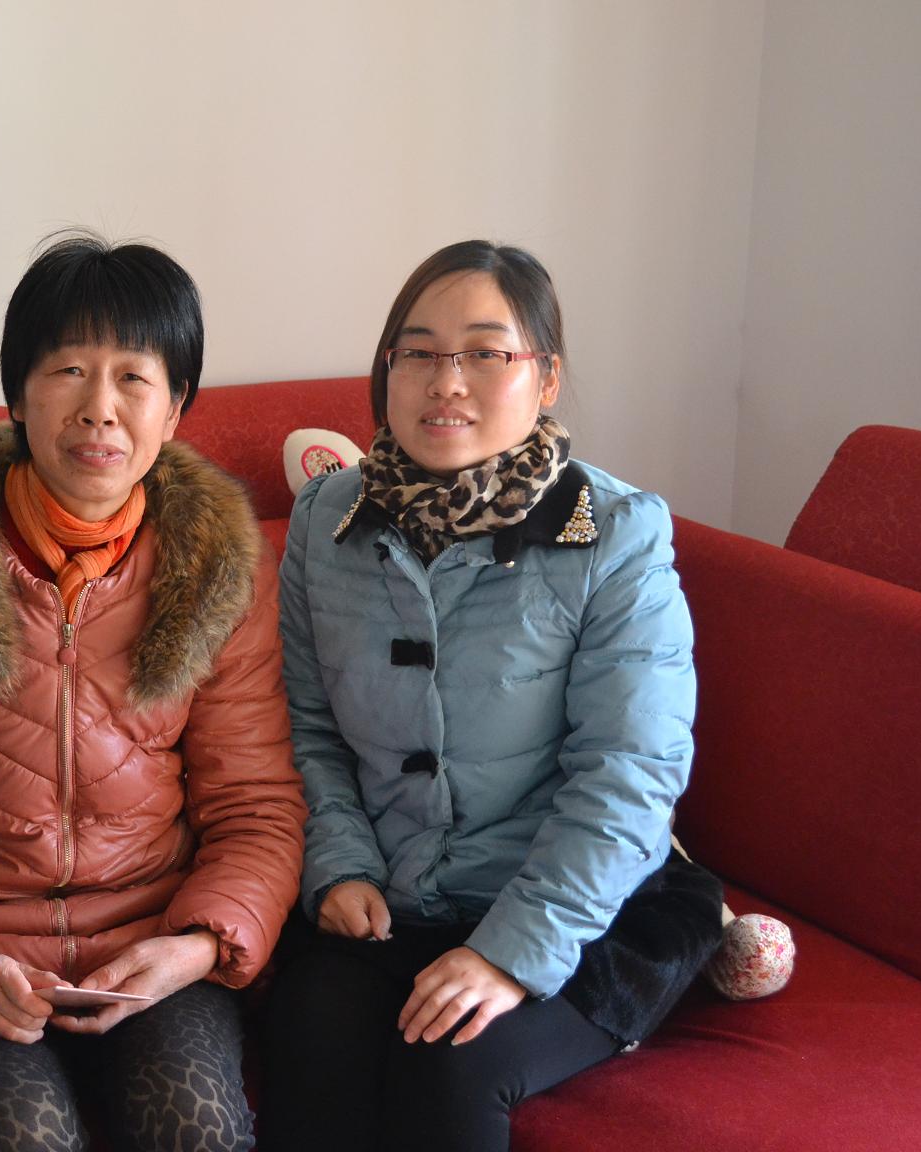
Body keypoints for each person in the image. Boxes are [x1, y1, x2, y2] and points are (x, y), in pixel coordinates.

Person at [262, 240, 724, 1151]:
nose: (447, 382)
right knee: (308, 1045)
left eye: (485, 352)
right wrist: (340, 865)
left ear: (544, 378)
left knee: (450, 1064)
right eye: (419, 352)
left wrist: (510, 954)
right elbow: (306, 726)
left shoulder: (616, 534)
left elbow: (630, 771)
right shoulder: (327, 519)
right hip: (392, 893)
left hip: (582, 910)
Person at [0, 234, 306, 1152]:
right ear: (17, 395)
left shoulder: (221, 572)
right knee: (24, 1136)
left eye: (134, 378)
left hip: (152, 945)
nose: (99, 408)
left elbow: (256, 804)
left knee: (196, 1125)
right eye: (68, 370)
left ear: (175, 408)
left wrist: (197, 946)